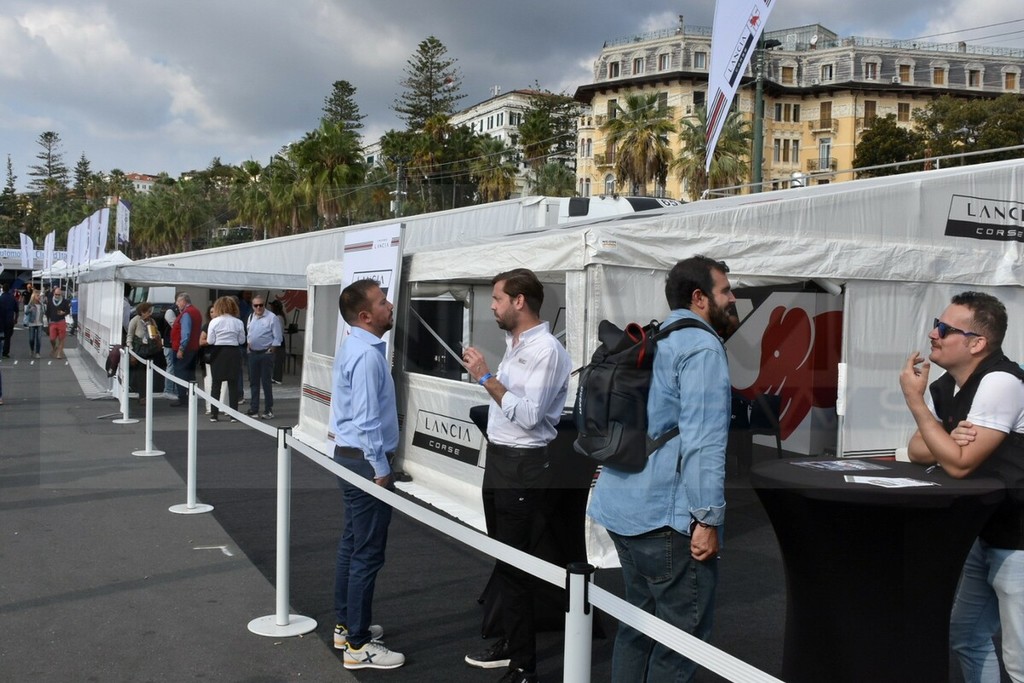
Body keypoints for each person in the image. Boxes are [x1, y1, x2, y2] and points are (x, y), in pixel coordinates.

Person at [588, 255, 734, 683]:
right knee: (679, 644)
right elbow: (704, 442)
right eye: (726, 290)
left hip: (622, 506)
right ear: (699, 297)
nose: (733, 298)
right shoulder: (702, 348)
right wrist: (707, 518)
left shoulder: (655, 337)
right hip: (665, 518)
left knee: (637, 628)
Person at [899, 291, 1024, 683]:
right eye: (936, 324)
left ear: (976, 343)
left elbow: (958, 462)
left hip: (1018, 539)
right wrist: (948, 436)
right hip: (986, 531)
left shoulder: (1000, 381)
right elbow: (918, 450)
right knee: (967, 637)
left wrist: (915, 403)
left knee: (1020, 660)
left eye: (944, 328)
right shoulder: (948, 386)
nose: (933, 333)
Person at [461, 268, 572, 683]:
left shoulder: (546, 351)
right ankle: (513, 642)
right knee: (505, 562)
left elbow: (528, 415)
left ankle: (525, 667)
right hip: (501, 462)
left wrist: (485, 377)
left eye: (497, 298)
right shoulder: (516, 344)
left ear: (519, 301)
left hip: (523, 466)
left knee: (517, 565)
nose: (492, 306)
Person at [331, 278, 405, 670]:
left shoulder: (357, 347)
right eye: (381, 302)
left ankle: (347, 628)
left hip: (353, 459)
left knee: (353, 546)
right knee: (367, 553)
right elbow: (366, 420)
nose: (389, 306)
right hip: (364, 463)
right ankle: (358, 646)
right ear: (365, 316)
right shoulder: (366, 355)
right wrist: (380, 470)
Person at [204, 297, 245, 422]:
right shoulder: (238, 322)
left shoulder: (214, 322)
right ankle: (233, 415)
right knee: (233, 384)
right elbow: (242, 340)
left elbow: (210, 340)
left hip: (218, 352)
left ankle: (214, 414)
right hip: (233, 352)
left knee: (216, 384)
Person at [246, 295, 282, 419]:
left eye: (261, 305)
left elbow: (278, 337)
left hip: (265, 353)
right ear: (252, 306)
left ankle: (268, 409)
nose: (258, 307)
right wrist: (248, 346)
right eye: (256, 305)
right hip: (253, 353)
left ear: (264, 305)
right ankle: (254, 408)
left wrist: (271, 350)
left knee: (266, 382)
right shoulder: (251, 317)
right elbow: (249, 333)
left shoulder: (272, 318)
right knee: (253, 382)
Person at [126, 302, 165, 402]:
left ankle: (147, 394)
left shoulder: (152, 321)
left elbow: (157, 333)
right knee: (140, 375)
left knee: (149, 374)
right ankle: (142, 396)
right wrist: (132, 353)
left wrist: (157, 337)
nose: (150, 314)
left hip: (150, 350)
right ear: (142, 312)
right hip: (139, 351)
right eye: (148, 311)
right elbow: (129, 337)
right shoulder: (135, 320)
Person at [169, 292, 201, 407]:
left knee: (181, 372)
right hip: (193, 348)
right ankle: (191, 396)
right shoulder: (196, 312)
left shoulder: (187, 313)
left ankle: (182, 397)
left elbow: (185, 333)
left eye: (178, 301)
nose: (177, 304)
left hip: (185, 349)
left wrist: (181, 348)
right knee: (190, 374)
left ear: (184, 301)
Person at [45, 286, 72, 359]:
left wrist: (64, 313)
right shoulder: (50, 301)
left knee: (61, 338)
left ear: (61, 294)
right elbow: (47, 312)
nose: (57, 296)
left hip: (61, 321)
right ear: (54, 293)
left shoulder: (65, 301)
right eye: (56, 294)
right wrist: (47, 322)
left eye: (59, 294)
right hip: (52, 322)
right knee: (52, 339)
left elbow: (68, 311)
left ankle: (59, 353)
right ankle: (54, 348)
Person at [161, 302, 179, 398]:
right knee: (171, 367)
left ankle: (174, 390)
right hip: (169, 344)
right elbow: (175, 326)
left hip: (174, 343)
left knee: (174, 367)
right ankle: (168, 390)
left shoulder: (177, 311)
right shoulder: (171, 311)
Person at [270, 299, 287, 384]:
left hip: (278, 340)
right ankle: (275, 377)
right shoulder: (279, 317)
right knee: (276, 360)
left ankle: (277, 378)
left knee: (277, 360)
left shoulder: (278, 318)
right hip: (278, 339)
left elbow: (278, 331)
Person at [24, 291, 44, 358]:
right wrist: (30, 309)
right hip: (32, 323)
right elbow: (26, 312)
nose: (39, 297)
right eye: (37, 295)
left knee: (39, 339)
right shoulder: (30, 304)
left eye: (39, 295)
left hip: (39, 323)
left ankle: (37, 352)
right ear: (34, 297)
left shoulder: (41, 304)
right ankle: (32, 350)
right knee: (31, 339)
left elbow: (44, 312)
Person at [0, 284, 17, 358]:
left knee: (1, 336)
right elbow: (16, 310)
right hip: (9, 320)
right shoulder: (12, 298)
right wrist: (15, 319)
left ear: (3, 289)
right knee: (8, 337)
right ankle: (5, 352)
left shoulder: (1, 298)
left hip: (1, 320)